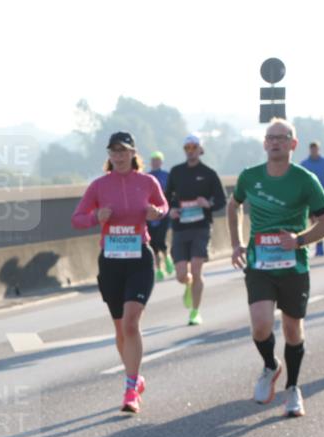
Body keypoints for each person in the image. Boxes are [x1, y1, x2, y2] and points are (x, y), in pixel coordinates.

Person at [227, 118, 324, 418]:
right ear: (264, 143)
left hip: (293, 267)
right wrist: (236, 243)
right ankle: (270, 365)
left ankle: (293, 388)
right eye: (270, 137)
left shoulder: (305, 180)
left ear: (293, 144)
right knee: (260, 325)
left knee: (292, 330)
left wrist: (300, 240)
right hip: (260, 263)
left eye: (282, 137)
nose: (275, 142)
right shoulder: (250, 177)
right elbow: (233, 204)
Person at [72, 132, 168, 413]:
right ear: (109, 156)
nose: (119, 156)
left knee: (130, 323)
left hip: (139, 257)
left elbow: (163, 206)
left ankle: (129, 388)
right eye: (114, 152)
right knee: (119, 329)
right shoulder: (99, 186)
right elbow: (76, 219)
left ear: (133, 153)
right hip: (111, 261)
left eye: (124, 151)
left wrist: (155, 212)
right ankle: (135, 378)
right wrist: (95, 217)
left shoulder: (147, 181)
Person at [165, 134, 227, 326]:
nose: (191, 151)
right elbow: (165, 199)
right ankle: (188, 283)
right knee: (182, 274)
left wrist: (207, 203)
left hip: (201, 227)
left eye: (194, 147)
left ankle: (195, 311)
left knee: (197, 268)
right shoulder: (176, 172)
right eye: (187, 148)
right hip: (181, 227)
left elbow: (221, 201)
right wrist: (171, 210)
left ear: (201, 150)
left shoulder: (209, 173)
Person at [299, 141, 324, 257]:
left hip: (323, 196)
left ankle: (319, 247)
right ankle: (312, 244)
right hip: (309, 198)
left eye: (315, 149)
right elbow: (299, 178)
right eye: (312, 150)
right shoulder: (304, 164)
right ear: (310, 150)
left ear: (318, 150)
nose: (314, 151)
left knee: (321, 222)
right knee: (314, 222)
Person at [148, 151, 173, 281]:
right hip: (150, 215)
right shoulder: (147, 177)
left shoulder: (166, 175)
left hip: (163, 213)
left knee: (161, 240)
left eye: (157, 160)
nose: (155, 162)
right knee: (153, 243)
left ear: (161, 162)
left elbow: (172, 193)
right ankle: (159, 269)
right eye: (153, 160)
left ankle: (167, 257)